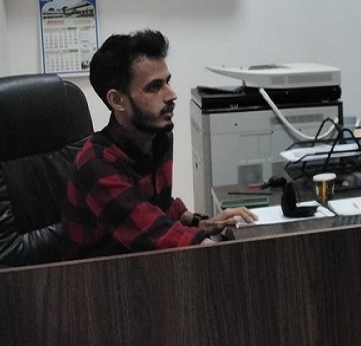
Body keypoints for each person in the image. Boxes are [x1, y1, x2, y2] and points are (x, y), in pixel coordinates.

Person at [62, 29, 256, 259]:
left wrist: (205, 223)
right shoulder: (95, 165)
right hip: (98, 276)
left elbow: (158, 206)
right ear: (117, 100)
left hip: (142, 265)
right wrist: (218, 250)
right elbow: (151, 233)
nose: (171, 95)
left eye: (167, 82)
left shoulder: (158, 137)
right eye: (154, 87)